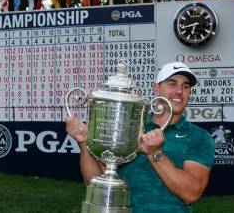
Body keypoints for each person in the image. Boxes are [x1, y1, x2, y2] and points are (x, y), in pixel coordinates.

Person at [65, 61, 215, 213]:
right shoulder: (130, 126)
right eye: (172, 83)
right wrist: (83, 143)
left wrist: (154, 153)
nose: (179, 91)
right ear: (156, 88)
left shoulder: (200, 137)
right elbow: (95, 182)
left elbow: (191, 193)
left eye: (186, 86)